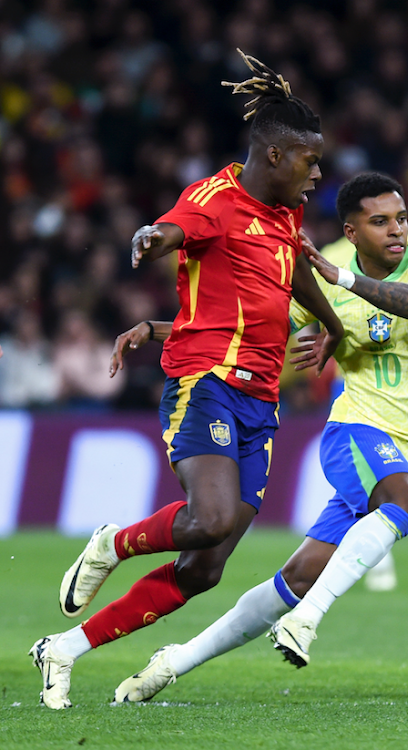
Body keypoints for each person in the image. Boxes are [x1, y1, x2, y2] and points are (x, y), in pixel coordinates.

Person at [30, 51, 343, 710]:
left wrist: (330, 322)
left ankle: (64, 649)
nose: (317, 174)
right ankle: (113, 542)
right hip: (206, 382)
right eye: (310, 161)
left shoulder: (284, 213)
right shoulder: (213, 199)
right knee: (209, 518)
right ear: (276, 155)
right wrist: (151, 237)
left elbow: (292, 270)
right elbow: (174, 228)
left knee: (204, 567)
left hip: (261, 400)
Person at [108, 171, 408, 701]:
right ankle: (305, 623)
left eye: (402, 218)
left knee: (295, 580)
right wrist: (157, 329)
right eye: (381, 221)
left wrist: (340, 279)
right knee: (406, 506)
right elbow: (248, 325)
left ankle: (174, 661)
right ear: (352, 230)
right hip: (358, 430)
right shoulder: (325, 288)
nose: (397, 231)